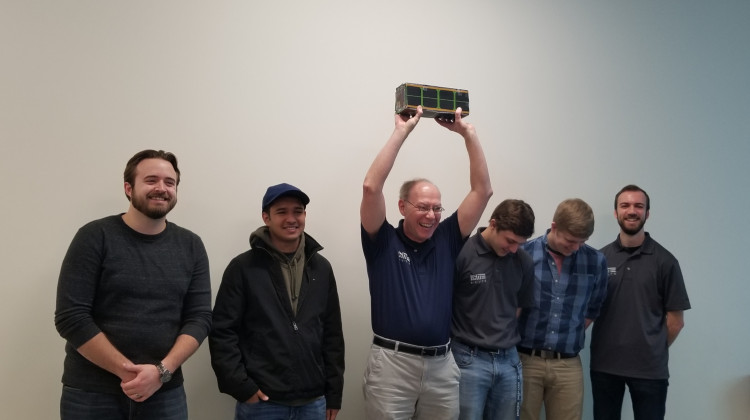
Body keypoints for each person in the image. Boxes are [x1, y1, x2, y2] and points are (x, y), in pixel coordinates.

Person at [54, 149, 212, 420]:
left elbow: (199, 318)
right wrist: (129, 373)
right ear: (129, 188)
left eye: (169, 182)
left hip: (165, 392)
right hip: (91, 394)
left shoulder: (191, 245)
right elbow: (71, 317)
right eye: (151, 180)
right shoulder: (94, 236)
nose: (161, 188)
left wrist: (161, 372)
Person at [360, 105, 493, 419]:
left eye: (437, 208)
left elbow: (482, 190)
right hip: (392, 364)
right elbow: (371, 187)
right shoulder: (382, 240)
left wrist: (468, 135)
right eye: (423, 207)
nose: (432, 215)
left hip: (442, 366)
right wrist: (401, 132)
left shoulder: (447, 238)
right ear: (402, 206)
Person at [209, 183, 345, 420]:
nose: (291, 218)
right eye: (282, 212)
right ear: (266, 217)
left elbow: (332, 334)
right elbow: (222, 333)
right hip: (262, 402)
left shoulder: (321, 268)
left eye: (298, 211)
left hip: (313, 401)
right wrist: (242, 387)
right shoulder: (243, 268)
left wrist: (334, 393)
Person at [590, 185, 691, 420]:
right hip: (605, 366)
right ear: (616, 212)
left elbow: (676, 322)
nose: (632, 211)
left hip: (650, 371)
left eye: (639, 206)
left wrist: (651, 349)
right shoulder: (599, 259)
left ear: (648, 213)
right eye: (625, 205)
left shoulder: (666, 262)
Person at [516, 198, 608, 420]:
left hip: (568, 363)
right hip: (525, 359)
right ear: (554, 227)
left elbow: (593, 308)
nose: (575, 247)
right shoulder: (523, 254)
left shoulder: (595, 261)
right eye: (570, 241)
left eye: (582, 242)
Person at [452, 199, 536, 420]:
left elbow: (518, 307)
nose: (514, 249)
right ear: (493, 223)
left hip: (509, 361)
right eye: (510, 241)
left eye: (520, 243)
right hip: (467, 359)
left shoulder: (523, 261)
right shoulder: (462, 252)